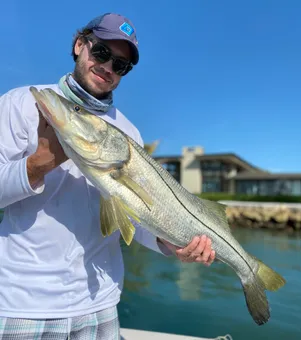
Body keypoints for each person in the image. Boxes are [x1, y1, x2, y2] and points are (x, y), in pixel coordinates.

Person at [0, 13, 216, 339]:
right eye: (101, 53)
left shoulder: (129, 132)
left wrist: (172, 245)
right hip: (24, 304)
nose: (108, 68)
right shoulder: (22, 103)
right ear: (79, 45)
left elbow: (136, 216)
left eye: (121, 65)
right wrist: (38, 164)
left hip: (101, 303)